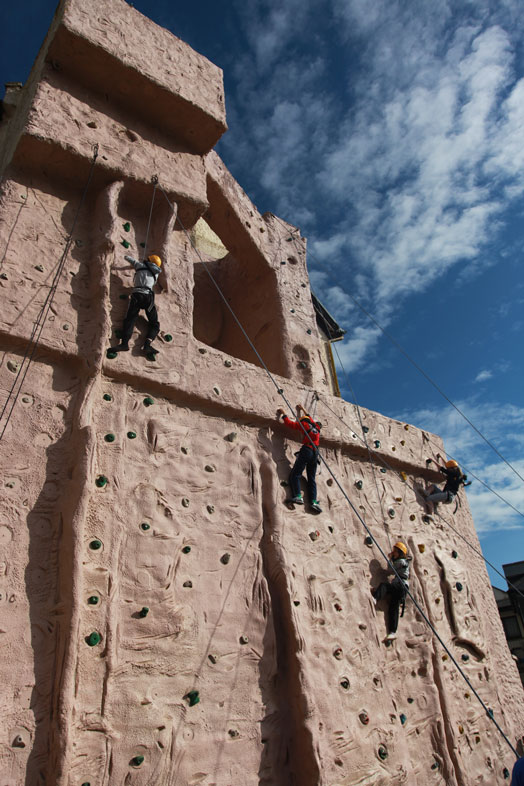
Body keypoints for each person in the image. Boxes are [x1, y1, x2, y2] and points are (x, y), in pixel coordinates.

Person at [110, 253, 163, 354]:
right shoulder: (156, 273)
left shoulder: (140, 265)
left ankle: (124, 344)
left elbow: (128, 258)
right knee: (154, 323)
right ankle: (147, 345)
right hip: (148, 298)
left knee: (130, 319)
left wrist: (129, 258)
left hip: (137, 296)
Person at [277, 404, 322, 512]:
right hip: (315, 453)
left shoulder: (303, 425)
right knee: (311, 479)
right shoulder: (316, 426)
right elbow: (308, 415)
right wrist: (302, 409)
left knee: (295, 474)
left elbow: (289, 423)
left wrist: (283, 414)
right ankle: (314, 502)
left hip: (307, 450)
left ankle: (298, 495)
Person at [371, 541, 411, 641]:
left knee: (384, 586)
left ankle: (375, 598)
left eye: (395, 551)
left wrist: (390, 559)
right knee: (394, 608)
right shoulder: (403, 562)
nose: (393, 552)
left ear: (400, 553)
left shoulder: (401, 562)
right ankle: (392, 632)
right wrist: (392, 558)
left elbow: (390, 570)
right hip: (402, 588)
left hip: (400, 585)